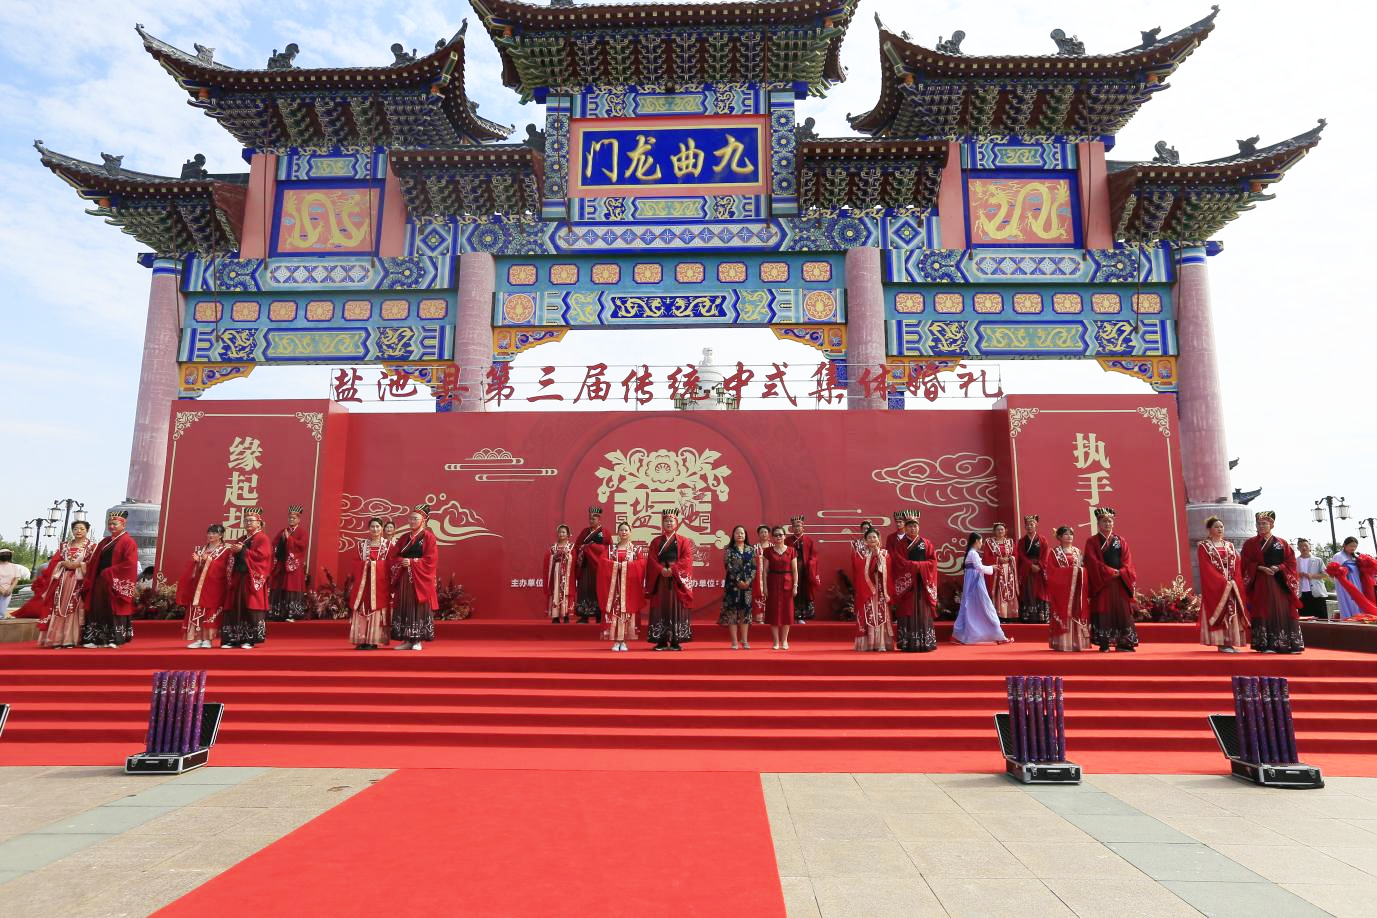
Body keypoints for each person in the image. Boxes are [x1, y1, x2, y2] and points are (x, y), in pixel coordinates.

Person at [1241, 511, 1303, 653]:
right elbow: (1245, 562)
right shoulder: (1250, 543)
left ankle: (1289, 643)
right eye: (1258, 524)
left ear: (1272, 525)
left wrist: (1279, 567)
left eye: (1264, 523)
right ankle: (1267, 644)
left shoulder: (1282, 543)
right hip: (1261, 581)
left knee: (1283, 608)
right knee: (1264, 608)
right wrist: (1260, 568)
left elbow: (1291, 562)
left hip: (1280, 581)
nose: (1261, 526)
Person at [29, 522, 96, 648]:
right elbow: (54, 562)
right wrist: (62, 563)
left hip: (79, 580)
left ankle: (70, 639)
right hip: (62, 579)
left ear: (87, 531)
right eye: (75, 528)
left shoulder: (91, 547)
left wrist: (79, 565)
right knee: (58, 606)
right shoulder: (64, 545)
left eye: (82, 529)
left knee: (74, 607)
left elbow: (94, 565)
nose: (78, 531)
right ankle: (55, 639)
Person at [79, 510, 140, 648]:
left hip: (114, 581)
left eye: (114, 524)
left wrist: (109, 572)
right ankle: (96, 639)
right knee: (97, 608)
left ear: (123, 525)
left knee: (112, 608)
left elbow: (130, 564)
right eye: (109, 524)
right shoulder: (104, 541)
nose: (111, 526)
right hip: (100, 580)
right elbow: (94, 561)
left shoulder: (128, 542)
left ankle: (114, 639)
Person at [1084, 508, 1139, 652]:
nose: (1107, 524)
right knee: (1104, 610)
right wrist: (1109, 572)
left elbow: (1127, 560)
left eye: (1110, 521)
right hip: (1103, 583)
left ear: (1113, 523)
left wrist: (1122, 572)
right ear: (1098, 524)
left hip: (1120, 581)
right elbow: (1092, 562)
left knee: (1122, 611)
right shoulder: (1092, 542)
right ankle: (1105, 643)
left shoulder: (1120, 541)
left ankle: (1124, 643)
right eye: (1104, 521)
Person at [1196, 516, 1249, 653]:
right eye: (1216, 527)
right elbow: (1206, 568)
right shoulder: (1204, 546)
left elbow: (1237, 564)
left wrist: (1234, 580)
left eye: (1221, 526)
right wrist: (1222, 582)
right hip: (1217, 586)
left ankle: (1230, 642)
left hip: (1232, 585)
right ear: (1209, 529)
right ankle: (1221, 643)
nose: (1220, 529)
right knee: (1220, 611)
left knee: (1232, 612)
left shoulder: (1229, 546)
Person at [222, 508, 272, 648]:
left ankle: (249, 639)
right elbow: (233, 556)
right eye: (246, 520)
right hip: (239, 577)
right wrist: (233, 552)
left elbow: (263, 557)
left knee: (250, 606)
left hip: (252, 578)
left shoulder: (263, 538)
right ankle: (233, 638)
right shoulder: (242, 538)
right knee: (235, 607)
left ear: (259, 523)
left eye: (251, 520)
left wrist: (242, 550)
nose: (248, 523)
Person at [889, 512, 938, 653]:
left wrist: (918, 567)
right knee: (907, 610)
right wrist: (915, 567)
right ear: (905, 528)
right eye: (910, 526)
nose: (912, 528)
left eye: (915, 526)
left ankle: (925, 642)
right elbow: (898, 562)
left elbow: (933, 561)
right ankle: (908, 642)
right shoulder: (900, 544)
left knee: (923, 611)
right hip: (907, 585)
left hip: (923, 583)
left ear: (919, 527)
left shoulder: (926, 543)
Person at [175, 524, 232, 648]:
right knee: (197, 609)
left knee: (209, 610)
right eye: (209, 533)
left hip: (214, 586)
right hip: (199, 586)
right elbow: (195, 568)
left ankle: (208, 640)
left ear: (221, 535)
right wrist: (197, 561)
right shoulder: (202, 549)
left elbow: (225, 568)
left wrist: (208, 561)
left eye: (214, 533)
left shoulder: (225, 550)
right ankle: (198, 638)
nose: (210, 535)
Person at [390, 504, 438, 650]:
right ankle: (406, 640)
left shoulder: (429, 537)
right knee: (404, 605)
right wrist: (401, 561)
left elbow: (431, 560)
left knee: (418, 606)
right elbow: (393, 556)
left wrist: (412, 562)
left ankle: (417, 640)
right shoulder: (404, 537)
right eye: (410, 518)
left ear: (423, 520)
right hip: (404, 577)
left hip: (420, 579)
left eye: (415, 519)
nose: (411, 521)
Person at [645, 509, 694, 650]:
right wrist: (661, 569)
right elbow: (652, 559)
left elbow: (687, 559)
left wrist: (673, 569)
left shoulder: (684, 541)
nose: (669, 523)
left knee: (675, 606)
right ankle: (661, 640)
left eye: (671, 521)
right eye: (666, 521)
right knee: (661, 606)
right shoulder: (656, 541)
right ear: (662, 523)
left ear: (676, 523)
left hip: (676, 579)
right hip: (660, 579)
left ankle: (675, 640)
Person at [953, 532, 1012, 644]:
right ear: (976, 541)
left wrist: (990, 567)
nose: (981, 544)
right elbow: (979, 567)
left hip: (973, 584)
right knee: (986, 607)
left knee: (971, 608)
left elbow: (977, 568)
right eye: (981, 541)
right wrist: (992, 568)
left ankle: (961, 635)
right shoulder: (973, 553)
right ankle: (999, 636)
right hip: (976, 584)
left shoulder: (970, 553)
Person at [598, 522, 646, 651]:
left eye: (626, 530)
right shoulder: (610, 549)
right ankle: (615, 641)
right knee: (615, 611)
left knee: (627, 612)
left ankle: (623, 641)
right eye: (621, 530)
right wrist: (615, 566)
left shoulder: (636, 550)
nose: (624, 532)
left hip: (629, 587)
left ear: (630, 532)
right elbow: (602, 562)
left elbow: (641, 564)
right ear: (618, 533)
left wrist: (624, 566)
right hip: (613, 587)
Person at [349, 517, 391, 649]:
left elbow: (391, 564)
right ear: (368, 529)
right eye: (372, 526)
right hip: (363, 584)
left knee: (376, 609)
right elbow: (355, 563)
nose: (375, 529)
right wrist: (365, 565)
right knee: (362, 609)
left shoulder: (388, 546)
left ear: (382, 529)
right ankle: (362, 640)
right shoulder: (362, 545)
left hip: (379, 584)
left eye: (378, 526)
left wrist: (374, 566)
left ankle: (373, 640)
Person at [1045, 526, 1089, 652]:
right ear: (1059, 537)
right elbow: (1050, 572)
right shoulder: (1054, 553)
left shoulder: (1077, 551)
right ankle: (1063, 643)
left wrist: (1079, 571)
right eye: (1066, 534)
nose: (1069, 536)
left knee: (1076, 611)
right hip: (1062, 590)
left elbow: (1084, 568)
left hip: (1076, 590)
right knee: (1063, 612)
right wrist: (1071, 572)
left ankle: (1077, 643)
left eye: (1071, 534)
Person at [852, 526, 894, 652]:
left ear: (878, 539)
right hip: (867, 590)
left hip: (880, 588)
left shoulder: (885, 553)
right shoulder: (859, 554)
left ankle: (881, 643)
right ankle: (869, 643)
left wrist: (878, 556)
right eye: (869, 537)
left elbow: (888, 570)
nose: (872, 539)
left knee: (881, 614)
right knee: (868, 613)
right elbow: (859, 571)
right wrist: (872, 557)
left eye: (874, 537)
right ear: (865, 540)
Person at [268, 505, 309, 622]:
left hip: (294, 564)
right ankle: (278, 612)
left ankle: (293, 613)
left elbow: (302, 546)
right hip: (282, 564)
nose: (291, 520)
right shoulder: (283, 531)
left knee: (292, 586)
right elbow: (274, 545)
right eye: (290, 518)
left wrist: (289, 539)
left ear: (299, 519)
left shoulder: (302, 532)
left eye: (294, 518)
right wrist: (282, 541)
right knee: (280, 585)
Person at [762, 525, 798, 650]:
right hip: (772, 582)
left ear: (784, 536)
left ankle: (785, 640)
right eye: (776, 535)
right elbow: (765, 571)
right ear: (772, 537)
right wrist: (764, 587)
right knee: (773, 612)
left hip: (787, 583)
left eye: (780, 535)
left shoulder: (791, 550)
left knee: (787, 612)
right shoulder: (768, 551)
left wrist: (795, 586)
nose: (778, 537)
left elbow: (795, 570)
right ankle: (776, 641)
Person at [720, 525, 756, 650]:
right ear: (733, 535)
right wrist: (738, 581)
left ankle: (744, 641)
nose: (740, 535)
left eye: (742, 533)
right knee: (733, 612)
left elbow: (754, 568)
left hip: (747, 587)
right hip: (732, 585)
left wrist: (748, 581)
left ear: (745, 535)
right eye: (737, 533)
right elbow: (728, 566)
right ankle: (734, 641)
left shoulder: (751, 550)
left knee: (745, 613)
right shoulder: (729, 550)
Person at [573, 507, 608, 623]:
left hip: (598, 567)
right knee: (584, 589)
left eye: (594, 518)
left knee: (598, 590)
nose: (591, 520)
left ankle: (599, 615)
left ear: (599, 519)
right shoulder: (585, 532)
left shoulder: (605, 533)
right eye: (590, 518)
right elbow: (577, 546)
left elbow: (608, 549)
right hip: (586, 566)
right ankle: (584, 616)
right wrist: (584, 548)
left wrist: (592, 548)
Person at [1330, 537, 1375, 621]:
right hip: (1345, 583)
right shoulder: (1338, 556)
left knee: (1358, 600)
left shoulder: (1356, 556)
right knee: (1348, 600)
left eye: (1355, 546)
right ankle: (1349, 619)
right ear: (1344, 545)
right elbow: (1333, 571)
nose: (1353, 548)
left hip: (1357, 581)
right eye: (1351, 546)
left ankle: (1360, 618)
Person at [982, 522, 1020, 622]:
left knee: (1010, 590)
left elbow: (1016, 554)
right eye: (998, 529)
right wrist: (998, 559)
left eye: (1002, 529)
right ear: (994, 531)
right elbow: (986, 557)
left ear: (1005, 531)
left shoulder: (1010, 542)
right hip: (997, 571)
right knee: (999, 591)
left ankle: (1010, 614)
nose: (1000, 531)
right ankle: (999, 614)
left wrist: (1010, 558)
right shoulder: (989, 542)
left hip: (1009, 571)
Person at [1016, 514, 1050, 623]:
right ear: (1025, 527)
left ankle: (1041, 615)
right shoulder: (1022, 541)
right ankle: (1028, 616)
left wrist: (1040, 565)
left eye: (1032, 524)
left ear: (1036, 526)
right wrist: (1030, 565)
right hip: (1027, 569)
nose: (1029, 527)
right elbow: (1021, 554)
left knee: (1040, 591)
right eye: (1027, 525)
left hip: (1039, 569)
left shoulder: (1043, 540)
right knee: (1028, 590)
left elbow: (1046, 554)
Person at [787, 516, 820, 623]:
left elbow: (814, 555)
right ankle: (793, 615)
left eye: (798, 526)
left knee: (804, 591)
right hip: (791, 569)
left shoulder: (809, 540)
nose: (796, 528)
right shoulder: (787, 540)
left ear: (803, 527)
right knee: (793, 592)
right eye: (794, 526)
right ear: (791, 528)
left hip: (805, 569)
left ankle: (802, 616)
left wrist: (810, 564)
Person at [545, 524, 576, 623]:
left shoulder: (571, 547)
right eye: (560, 532)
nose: (561, 534)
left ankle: (566, 615)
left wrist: (567, 556)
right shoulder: (553, 547)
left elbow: (574, 560)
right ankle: (555, 616)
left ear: (568, 534)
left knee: (565, 592)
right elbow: (547, 559)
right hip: (555, 573)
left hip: (566, 574)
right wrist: (553, 557)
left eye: (563, 532)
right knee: (556, 592)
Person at [1295, 539, 1329, 619]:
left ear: (1310, 547)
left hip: (1317, 593)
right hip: (1301, 593)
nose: (1303, 548)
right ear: (1298, 548)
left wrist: (1312, 576)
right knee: (1304, 618)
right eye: (1301, 546)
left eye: (1305, 546)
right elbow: (1290, 575)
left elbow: (1326, 574)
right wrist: (1297, 575)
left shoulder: (1318, 560)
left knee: (1321, 618)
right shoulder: (1295, 561)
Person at [0, 548, 32, 619]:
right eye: (3, 554)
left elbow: (16, 578)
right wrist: (2, 590)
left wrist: (10, 589)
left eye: (7, 554)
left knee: (1, 612)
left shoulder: (13, 566)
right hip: (2, 590)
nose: (5, 555)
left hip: (8, 592)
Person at [751, 524, 770, 625]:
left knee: (771, 595)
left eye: (765, 532)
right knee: (758, 594)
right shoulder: (754, 548)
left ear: (769, 534)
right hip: (757, 577)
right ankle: (758, 617)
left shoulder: (773, 547)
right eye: (761, 532)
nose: (764, 534)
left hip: (771, 576)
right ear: (758, 534)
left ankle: (770, 617)